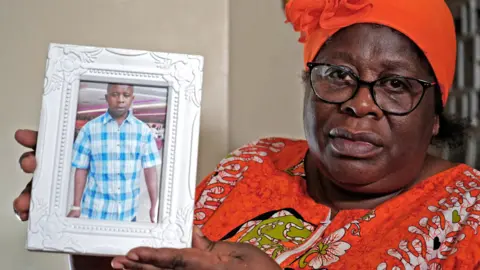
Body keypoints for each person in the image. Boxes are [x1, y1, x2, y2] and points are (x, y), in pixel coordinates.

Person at [12, 0, 480, 269]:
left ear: (435, 115)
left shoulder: (468, 218)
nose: (359, 103)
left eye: (396, 84)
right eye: (337, 74)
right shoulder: (257, 163)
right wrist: (88, 235)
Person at [68, 83, 162, 223]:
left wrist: (155, 205)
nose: (120, 100)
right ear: (107, 97)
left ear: (132, 98)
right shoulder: (89, 129)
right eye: (115, 94)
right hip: (95, 212)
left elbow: (150, 170)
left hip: (128, 213)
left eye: (126, 95)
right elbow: (81, 169)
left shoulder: (143, 131)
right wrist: (76, 206)